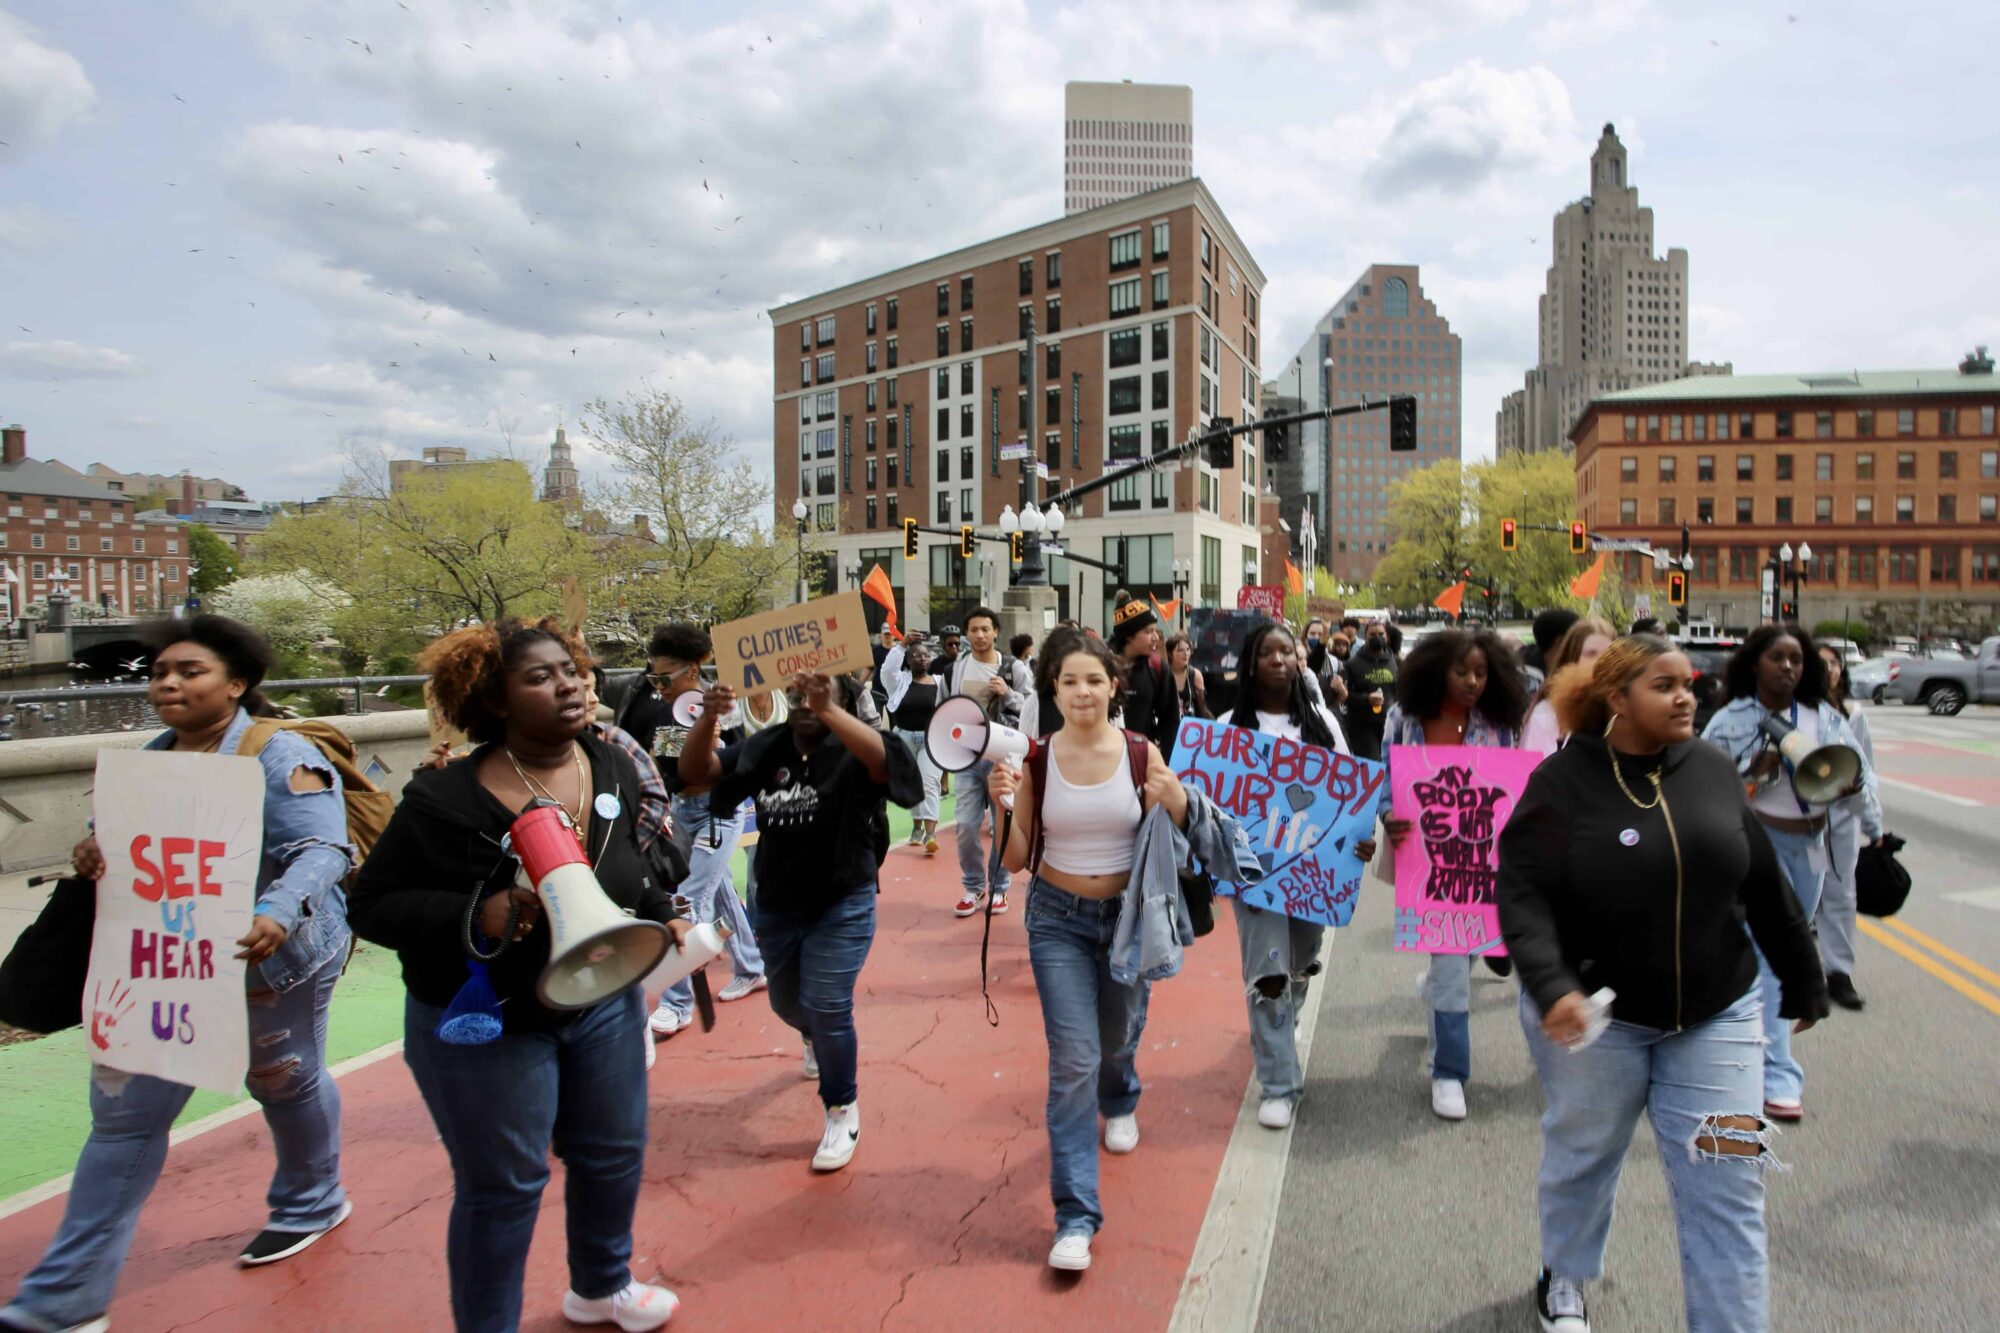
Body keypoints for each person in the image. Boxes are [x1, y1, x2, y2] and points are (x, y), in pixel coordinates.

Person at [0, 617, 356, 1333]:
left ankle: (311, 1200)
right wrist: (94, 851)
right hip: (163, 969)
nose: (168, 682)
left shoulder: (280, 753)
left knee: (281, 1076)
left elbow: (324, 846)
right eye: (160, 671)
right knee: (124, 1118)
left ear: (237, 683)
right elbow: (130, 845)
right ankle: (64, 1299)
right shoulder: (149, 759)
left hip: (273, 960)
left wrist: (276, 913)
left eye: (189, 670)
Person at [348, 617, 685, 1333]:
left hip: (599, 1001)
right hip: (491, 1018)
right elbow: (369, 904)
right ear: (493, 701)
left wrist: (662, 908)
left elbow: (624, 859)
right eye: (539, 676)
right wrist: (481, 911)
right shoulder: (443, 800)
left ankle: (602, 1285)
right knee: (504, 1186)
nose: (568, 684)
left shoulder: (609, 761)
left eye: (570, 669)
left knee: (612, 1150)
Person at [1500, 635, 1827, 1333]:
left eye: (1690, 683)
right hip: (1598, 1022)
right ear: (1616, 699)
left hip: (1720, 1016)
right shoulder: (1561, 782)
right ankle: (1565, 1272)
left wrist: (1802, 976)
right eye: (1665, 685)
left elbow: (1764, 883)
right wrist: (1552, 983)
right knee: (1584, 1156)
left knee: (1731, 1182)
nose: (1686, 696)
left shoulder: (1709, 766)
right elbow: (1521, 893)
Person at [986, 636, 1189, 1273]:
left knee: (1116, 1034)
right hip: (1056, 923)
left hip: (1128, 921)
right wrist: (1003, 804)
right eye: (1069, 681)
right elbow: (1016, 860)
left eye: (1093, 681)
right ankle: (1074, 1216)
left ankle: (1122, 1095)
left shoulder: (1140, 752)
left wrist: (1173, 797)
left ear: (1112, 687)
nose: (1082, 693)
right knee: (1072, 1058)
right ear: (1052, 690)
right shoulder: (1035, 761)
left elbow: (1178, 825)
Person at [677, 672, 920, 1173]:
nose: (805, 703)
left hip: (843, 900)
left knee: (828, 1004)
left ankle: (840, 1107)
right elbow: (695, 773)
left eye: (820, 696)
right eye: (797, 696)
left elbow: (886, 767)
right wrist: (707, 717)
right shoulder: (764, 746)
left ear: (846, 702)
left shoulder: (863, 745)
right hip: (777, 901)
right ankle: (811, 1036)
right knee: (789, 1003)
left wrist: (829, 709)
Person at [1703, 625, 1879, 1120]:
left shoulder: (1823, 718)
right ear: (1754, 663)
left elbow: (1859, 772)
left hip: (1811, 847)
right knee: (1772, 954)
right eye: (1777, 658)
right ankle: (1777, 1076)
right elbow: (1704, 785)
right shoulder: (1731, 719)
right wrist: (1750, 770)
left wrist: (1857, 803)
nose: (1788, 667)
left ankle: (1743, 1051)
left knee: (1788, 945)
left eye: (1797, 660)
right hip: (1757, 844)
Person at [1225, 623, 1374, 1130]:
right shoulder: (1230, 727)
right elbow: (1212, 806)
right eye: (1266, 653)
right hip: (1254, 878)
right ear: (1250, 663)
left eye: (1286, 651)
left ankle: (1281, 1033)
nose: (1278, 660)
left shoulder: (1323, 723)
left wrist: (1361, 837)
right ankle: (1279, 1085)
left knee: (1299, 964)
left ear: (1298, 660)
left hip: (1314, 874)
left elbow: (1349, 788)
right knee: (1268, 975)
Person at [1378, 628, 1529, 1121]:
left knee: (1460, 959)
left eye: (1482, 673)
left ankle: (1438, 998)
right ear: (1436, 670)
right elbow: (1386, 775)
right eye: (1461, 671)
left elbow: (1511, 787)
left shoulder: (1499, 723)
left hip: (1484, 863)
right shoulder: (1405, 718)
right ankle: (1448, 1072)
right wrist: (1388, 814)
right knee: (1450, 969)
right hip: (1427, 864)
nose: (1472, 682)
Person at [635, 623, 766, 1037]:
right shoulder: (660, 706)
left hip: (717, 814)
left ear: (692, 668)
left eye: (664, 676)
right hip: (682, 811)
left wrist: (710, 735)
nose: (659, 685)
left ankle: (677, 1002)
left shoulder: (721, 703)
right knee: (721, 890)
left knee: (685, 902)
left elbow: (741, 753)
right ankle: (751, 965)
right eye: (652, 677)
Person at [942, 607, 1034, 918]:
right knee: (966, 825)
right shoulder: (956, 669)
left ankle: (999, 887)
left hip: (1002, 758)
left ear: (996, 632)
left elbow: (1030, 706)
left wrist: (1008, 694)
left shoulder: (1014, 668)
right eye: (973, 630)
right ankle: (973, 886)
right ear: (967, 635)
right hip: (967, 757)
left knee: (1000, 825)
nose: (979, 635)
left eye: (985, 629)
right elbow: (945, 709)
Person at [1816, 645, 1878, 1011]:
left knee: (1840, 894)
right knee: (1798, 894)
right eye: (1820, 663)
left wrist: (1875, 823)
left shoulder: (1853, 716)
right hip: (1798, 821)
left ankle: (1838, 972)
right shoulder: (1794, 710)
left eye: (1834, 662)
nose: (1828, 669)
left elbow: (1867, 770)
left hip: (1842, 819)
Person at [878, 635, 945, 853]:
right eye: (917, 655)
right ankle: (916, 825)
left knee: (929, 782)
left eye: (926, 655)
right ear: (908, 659)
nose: (923, 659)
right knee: (911, 783)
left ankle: (930, 833)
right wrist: (902, 645)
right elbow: (887, 670)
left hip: (930, 740)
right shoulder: (899, 682)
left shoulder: (940, 683)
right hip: (904, 738)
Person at [1521, 617, 1616, 756]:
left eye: (1608, 655)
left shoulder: (1623, 709)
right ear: (1572, 659)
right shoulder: (1546, 715)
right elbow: (1530, 768)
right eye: (1591, 654)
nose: (1601, 663)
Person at [1108, 590, 1180, 759]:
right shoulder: (1101, 666)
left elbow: (1170, 722)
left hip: (1142, 759)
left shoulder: (1157, 667)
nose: (1156, 637)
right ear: (1128, 636)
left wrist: (1167, 764)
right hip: (1105, 761)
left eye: (1155, 631)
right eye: (1148, 632)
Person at [1341, 618, 1400, 761]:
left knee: (1392, 770)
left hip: (1391, 725)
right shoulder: (1352, 664)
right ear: (1365, 637)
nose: (1377, 638)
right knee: (1373, 768)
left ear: (1387, 636)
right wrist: (1366, 699)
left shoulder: (1396, 662)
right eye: (1372, 635)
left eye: (1381, 634)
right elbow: (1343, 697)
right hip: (1363, 728)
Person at [1166, 631, 1209, 720]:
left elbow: (1202, 709)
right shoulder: (1163, 673)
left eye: (1188, 649)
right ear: (1170, 653)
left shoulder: (1195, 675)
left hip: (1189, 726)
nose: (1186, 653)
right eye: (1180, 650)